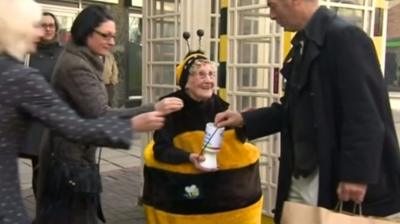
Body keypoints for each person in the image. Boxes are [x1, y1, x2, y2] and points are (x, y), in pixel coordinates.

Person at [215, 1, 400, 223]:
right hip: (303, 170)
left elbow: (365, 114)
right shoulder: (304, 42)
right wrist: (244, 119)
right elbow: (292, 109)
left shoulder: (346, 38)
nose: (271, 15)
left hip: (332, 173)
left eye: (273, 6)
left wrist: (356, 175)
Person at [0, 0, 173, 223]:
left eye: (114, 36)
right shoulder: (47, 71)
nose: (43, 31)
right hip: (64, 165)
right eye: (106, 35)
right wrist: (136, 122)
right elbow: (87, 121)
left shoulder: (76, 61)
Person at [142, 49, 263, 224]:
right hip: (186, 199)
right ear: (186, 81)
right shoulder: (172, 108)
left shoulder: (221, 106)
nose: (208, 80)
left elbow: (234, 145)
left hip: (220, 200)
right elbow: (160, 150)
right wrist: (189, 157)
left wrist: (245, 123)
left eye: (211, 74)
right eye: (201, 74)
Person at [20, 12, 63, 198]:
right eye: (43, 25)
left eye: (51, 25)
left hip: (58, 121)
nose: (47, 29)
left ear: (56, 28)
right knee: (40, 170)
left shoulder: (64, 54)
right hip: (35, 122)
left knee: (58, 170)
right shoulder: (26, 55)